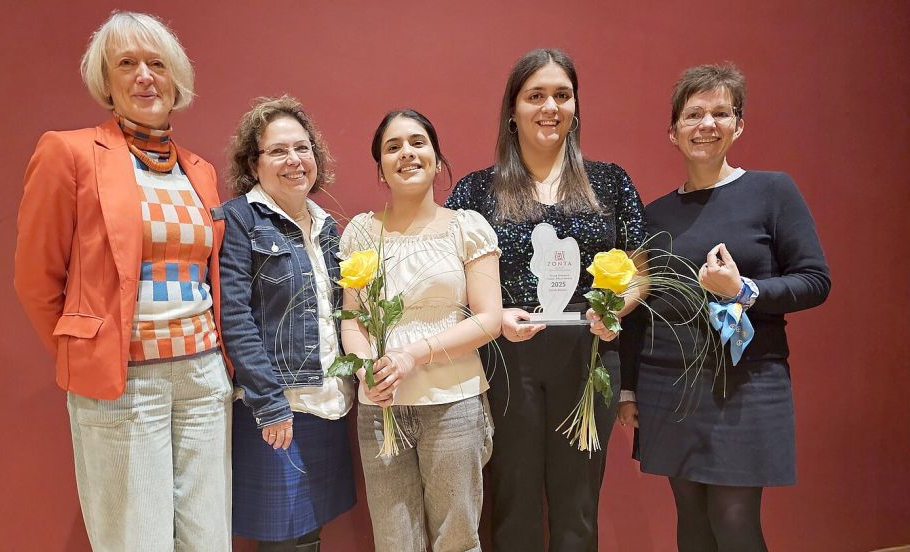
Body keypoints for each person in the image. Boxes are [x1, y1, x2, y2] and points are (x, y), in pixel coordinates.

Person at [14, 12, 231, 550]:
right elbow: (36, 279)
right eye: (127, 64)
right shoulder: (70, 153)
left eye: (157, 63)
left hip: (203, 378)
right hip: (123, 381)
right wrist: (87, 351)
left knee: (209, 539)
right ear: (105, 82)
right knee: (136, 540)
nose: (144, 76)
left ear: (176, 78)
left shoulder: (199, 169)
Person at [617, 64, 831, 552]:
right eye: (693, 114)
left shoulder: (773, 191)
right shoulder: (654, 215)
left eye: (720, 112)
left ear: (739, 125)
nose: (706, 124)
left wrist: (744, 290)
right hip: (668, 383)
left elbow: (816, 281)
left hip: (748, 380)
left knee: (734, 522)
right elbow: (642, 306)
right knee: (691, 521)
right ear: (673, 132)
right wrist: (628, 387)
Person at [444, 48, 647, 551]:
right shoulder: (476, 191)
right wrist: (489, 314)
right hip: (506, 359)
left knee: (578, 501)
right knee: (512, 496)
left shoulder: (611, 183)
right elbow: (450, 278)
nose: (550, 107)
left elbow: (640, 271)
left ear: (576, 106)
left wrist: (614, 307)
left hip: (590, 354)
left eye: (562, 95)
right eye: (535, 96)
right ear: (512, 110)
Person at [340, 109, 502, 552]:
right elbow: (352, 318)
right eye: (393, 147)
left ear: (435, 156)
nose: (406, 153)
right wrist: (366, 372)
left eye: (417, 142)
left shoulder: (466, 227)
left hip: (453, 405)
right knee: (395, 541)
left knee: (457, 539)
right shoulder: (360, 232)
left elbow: (489, 319)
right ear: (380, 168)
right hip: (382, 408)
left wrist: (414, 354)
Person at [219, 96, 355, 552]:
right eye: (278, 151)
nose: (294, 160)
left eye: (303, 148)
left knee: (309, 532)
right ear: (253, 164)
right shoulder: (239, 219)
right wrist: (269, 403)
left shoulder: (328, 227)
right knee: (281, 538)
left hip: (328, 401)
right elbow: (234, 317)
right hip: (276, 406)